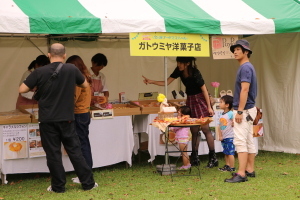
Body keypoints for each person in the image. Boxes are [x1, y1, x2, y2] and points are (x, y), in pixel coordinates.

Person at [19, 43, 98, 192]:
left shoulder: (39, 71)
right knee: (75, 151)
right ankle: (88, 184)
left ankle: (58, 187)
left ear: (49, 55)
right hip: (67, 118)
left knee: (53, 154)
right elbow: (85, 85)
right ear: (64, 55)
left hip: (47, 119)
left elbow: (22, 89)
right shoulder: (72, 69)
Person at [143, 57, 218, 168]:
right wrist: (151, 81)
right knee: (194, 129)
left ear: (187, 63)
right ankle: (195, 157)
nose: (179, 64)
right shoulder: (179, 70)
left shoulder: (195, 72)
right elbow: (166, 82)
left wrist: (209, 107)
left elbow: (204, 89)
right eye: (178, 62)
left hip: (200, 99)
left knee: (205, 129)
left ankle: (213, 158)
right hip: (190, 99)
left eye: (181, 63)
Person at [66, 55, 105, 184]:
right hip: (84, 114)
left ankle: (85, 174)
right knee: (84, 143)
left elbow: (72, 100)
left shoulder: (77, 79)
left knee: (81, 145)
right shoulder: (86, 76)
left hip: (78, 114)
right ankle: (85, 173)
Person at [225, 39, 257, 183]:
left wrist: (239, 111)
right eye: (234, 50)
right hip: (250, 109)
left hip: (244, 110)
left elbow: (245, 89)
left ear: (246, 52)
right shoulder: (247, 67)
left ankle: (241, 173)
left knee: (240, 141)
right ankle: (250, 169)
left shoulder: (245, 68)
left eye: (239, 49)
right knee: (249, 140)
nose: (235, 52)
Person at [217, 95, 235, 172]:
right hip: (224, 137)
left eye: (221, 102)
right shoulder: (222, 114)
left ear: (227, 105)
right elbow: (219, 126)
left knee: (230, 152)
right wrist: (220, 135)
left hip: (230, 136)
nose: (219, 103)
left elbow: (235, 120)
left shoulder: (231, 113)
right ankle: (227, 165)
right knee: (226, 152)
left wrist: (234, 122)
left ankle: (232, 167)